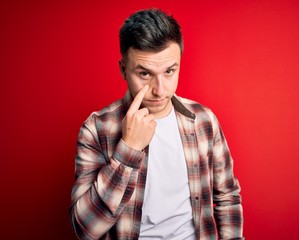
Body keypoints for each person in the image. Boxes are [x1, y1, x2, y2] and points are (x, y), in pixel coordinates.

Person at [70, 8, 244, 240]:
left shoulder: (204, 120)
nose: (160, 90)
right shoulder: (96, 129)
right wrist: (128, 149)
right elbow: (85, 230)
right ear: (123, 70)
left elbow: (227, 197)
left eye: (170, 71)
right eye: (144, 74)